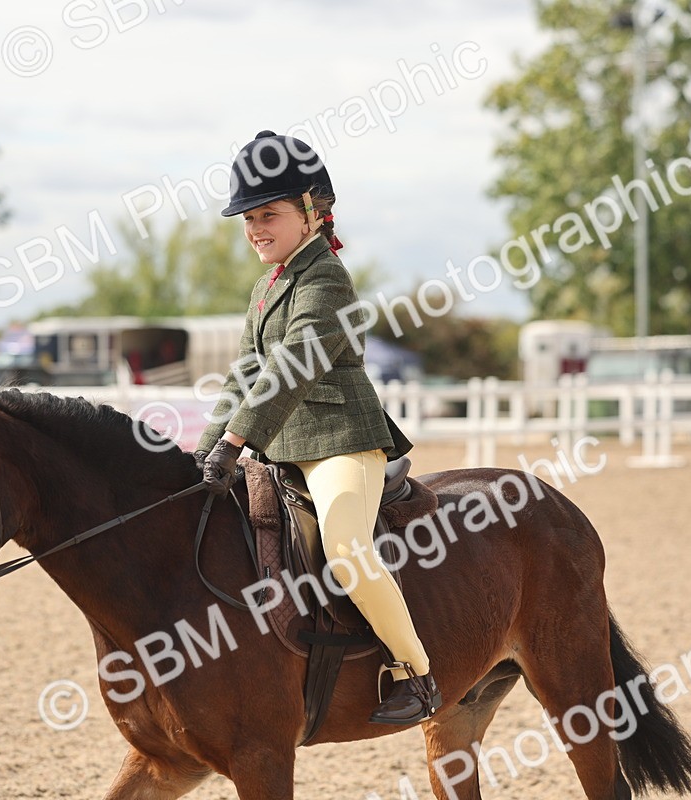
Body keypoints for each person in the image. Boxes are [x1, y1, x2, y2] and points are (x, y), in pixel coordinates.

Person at [194, 130, 440, 726]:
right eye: (249, 217)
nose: (256, 228)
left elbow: (289, 368)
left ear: (311, 212)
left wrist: (236, 442)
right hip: (280, 446)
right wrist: (201, 454)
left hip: (340, 441)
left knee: (347, 548)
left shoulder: (325, 279)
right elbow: (246, 374)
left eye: (269, 214)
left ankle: (417, 673)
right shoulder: (267, 286)